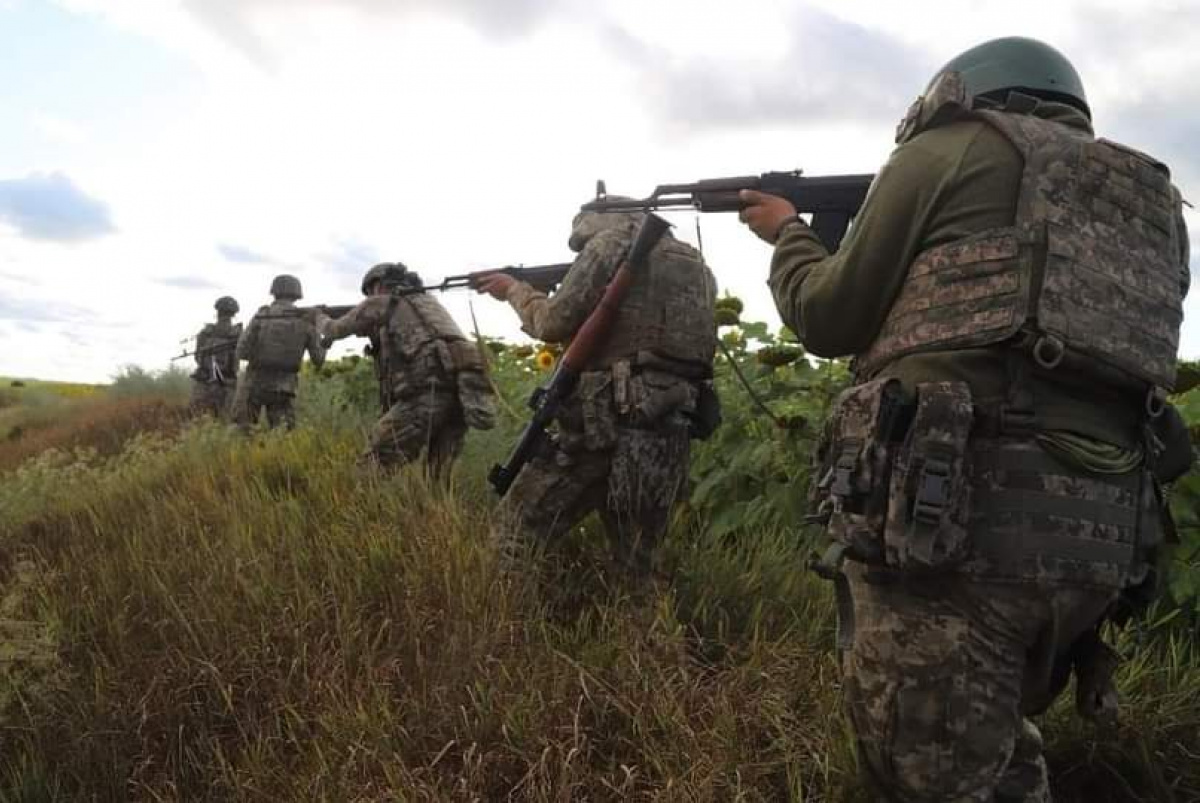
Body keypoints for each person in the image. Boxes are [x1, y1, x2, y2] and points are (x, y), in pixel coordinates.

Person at [738, 37, 1189, 801]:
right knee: (993, 755)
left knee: (929, 772)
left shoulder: (946, 148)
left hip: (956, 521)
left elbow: (828, 315)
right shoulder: (1149, 204)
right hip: (1101, 538)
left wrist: (790, 233)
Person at [474, 205, 720, 584]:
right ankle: (650, 644)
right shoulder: (696, 264)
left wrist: (514, 290)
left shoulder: (612, 241)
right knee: (638, 570)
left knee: (513, 537)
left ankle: (496, 634)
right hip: (668, 428)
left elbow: (553, 322)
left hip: (601, 422)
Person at [318, 262, 496, 473]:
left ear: (379, 285)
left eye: (369, 292)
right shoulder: (428, 305)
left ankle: (361, 506)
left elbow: (334, 329)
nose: (368, 298)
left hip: (426, 396)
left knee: (372, 466)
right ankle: (434, 507)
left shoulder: (381, 303)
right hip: (462, 396)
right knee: (439, 476)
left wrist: (316, 316)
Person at [232, 274, 325, 430]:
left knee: (242, 432)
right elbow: (319, 359)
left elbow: (241, 351)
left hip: (254, 384)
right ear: (297, 293)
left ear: (274, 291)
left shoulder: (262, 315)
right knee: (282, 437)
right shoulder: (307, 320)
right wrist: (327, 337)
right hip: (284, 388)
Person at [188, 295, 241, 418]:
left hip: (203, 381)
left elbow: (197, 357)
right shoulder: (238, 334)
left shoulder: (206, 332)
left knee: (196, 419)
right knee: (225, 420)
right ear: (234, 314)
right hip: (227, 383)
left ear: (217, 312)